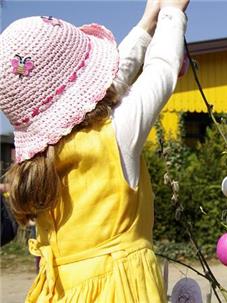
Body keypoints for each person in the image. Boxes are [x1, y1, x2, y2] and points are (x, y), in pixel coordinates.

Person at [0, 0, 189, 301]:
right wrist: (171, 13)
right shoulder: (114, 137)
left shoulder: (42, 160)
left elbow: (115, 82)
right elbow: (161, 73)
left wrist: (147, 23)